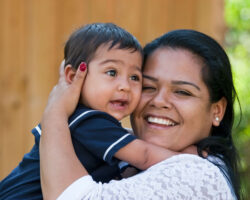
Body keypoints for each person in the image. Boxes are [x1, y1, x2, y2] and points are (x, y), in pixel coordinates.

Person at [40, 29, 241, 199]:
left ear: (217, 110)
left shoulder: (198, 175)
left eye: (182, 92)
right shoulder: (114, 145)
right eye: (148, 86)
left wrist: (55, 110)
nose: (159, 101)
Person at [0, 23, 178, 200]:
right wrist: (191, 157)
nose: (125, 86)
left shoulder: (81, 121)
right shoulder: (87, 120)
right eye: (111, 72)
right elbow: (145, 156)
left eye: (134, 77)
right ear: (73, 76)